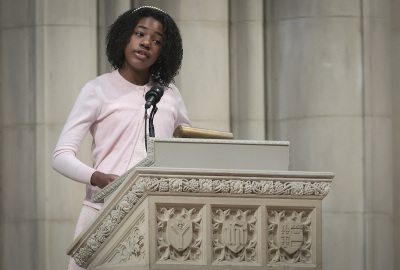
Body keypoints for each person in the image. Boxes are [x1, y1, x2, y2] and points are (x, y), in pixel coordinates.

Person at [52, 6, 191, 270]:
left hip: (159, 215)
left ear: (164, 52)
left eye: (157, 40)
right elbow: (60, 156)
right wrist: (99, 177)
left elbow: (188, 145)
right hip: (103, 211)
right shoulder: (97, 90)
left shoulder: (169, 95)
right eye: (140, 33)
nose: (146, 42)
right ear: (124, 37)